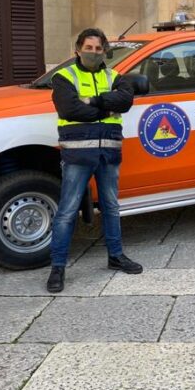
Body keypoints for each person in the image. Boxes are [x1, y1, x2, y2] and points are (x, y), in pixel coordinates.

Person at [47, 28, 143, 293]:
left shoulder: (114, 76)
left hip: (109, 153)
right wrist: (105, 107)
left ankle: (116, 256)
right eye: (88, 48)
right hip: (78, 153)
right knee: (67, 212)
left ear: (104, 52)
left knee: (111, 207)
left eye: (98, 49)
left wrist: (93, 102)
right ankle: (57, 267)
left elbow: (126, 100)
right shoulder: (64, 77)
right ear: (77, 49)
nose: (93, 53)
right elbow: (70, 109)